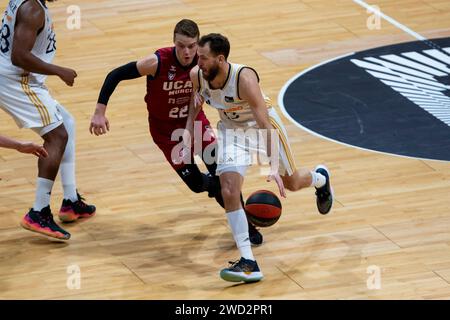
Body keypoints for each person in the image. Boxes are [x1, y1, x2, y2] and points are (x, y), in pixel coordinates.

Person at [89, 19, 263, 245]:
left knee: (224, 174)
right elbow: (115, 74)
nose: (187, 52)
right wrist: (99, 111)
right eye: (181, 46)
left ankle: (246, 226)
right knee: (196, 184)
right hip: (167, 133)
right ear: (174, 42)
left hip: (196, 124)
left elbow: (226, 82)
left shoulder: (203, 65)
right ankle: (212, 186)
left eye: (192, 46)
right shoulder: (157, 62)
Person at [184, 33, 334, 283]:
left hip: (262, 127)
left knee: (292, 182)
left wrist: (272, 165)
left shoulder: (244, 78)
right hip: (232, 132)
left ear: (220, 59)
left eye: (203, 57)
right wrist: (189, 125)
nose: (197, 62)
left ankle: (320, 180)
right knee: (229, 189)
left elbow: (264, 123)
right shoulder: (197, 75)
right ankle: (248, 262)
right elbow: (196, 99)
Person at [0, 0, 96, 240]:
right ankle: (38, 211)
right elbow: (19, 56)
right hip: (15, 81)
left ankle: (70, 201)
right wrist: (59, 71)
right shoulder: (32, 9)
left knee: (67, 122)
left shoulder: (28, 3)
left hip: (16, 77)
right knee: (57, 136)